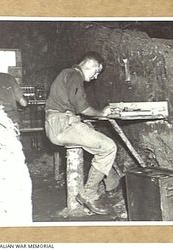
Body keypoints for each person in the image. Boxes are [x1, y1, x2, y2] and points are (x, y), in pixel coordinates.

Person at [44, 51, 120, 215]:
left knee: (94, 135)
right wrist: (102, 113)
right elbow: (83, 108)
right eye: (97, 71)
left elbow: (72, 107)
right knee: (109, 147)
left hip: (58, 124)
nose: (96, 77)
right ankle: (89, 194)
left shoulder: (67, 74)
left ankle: (111, 185)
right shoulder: (74, 75)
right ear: (91, 65)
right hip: (61, 126)